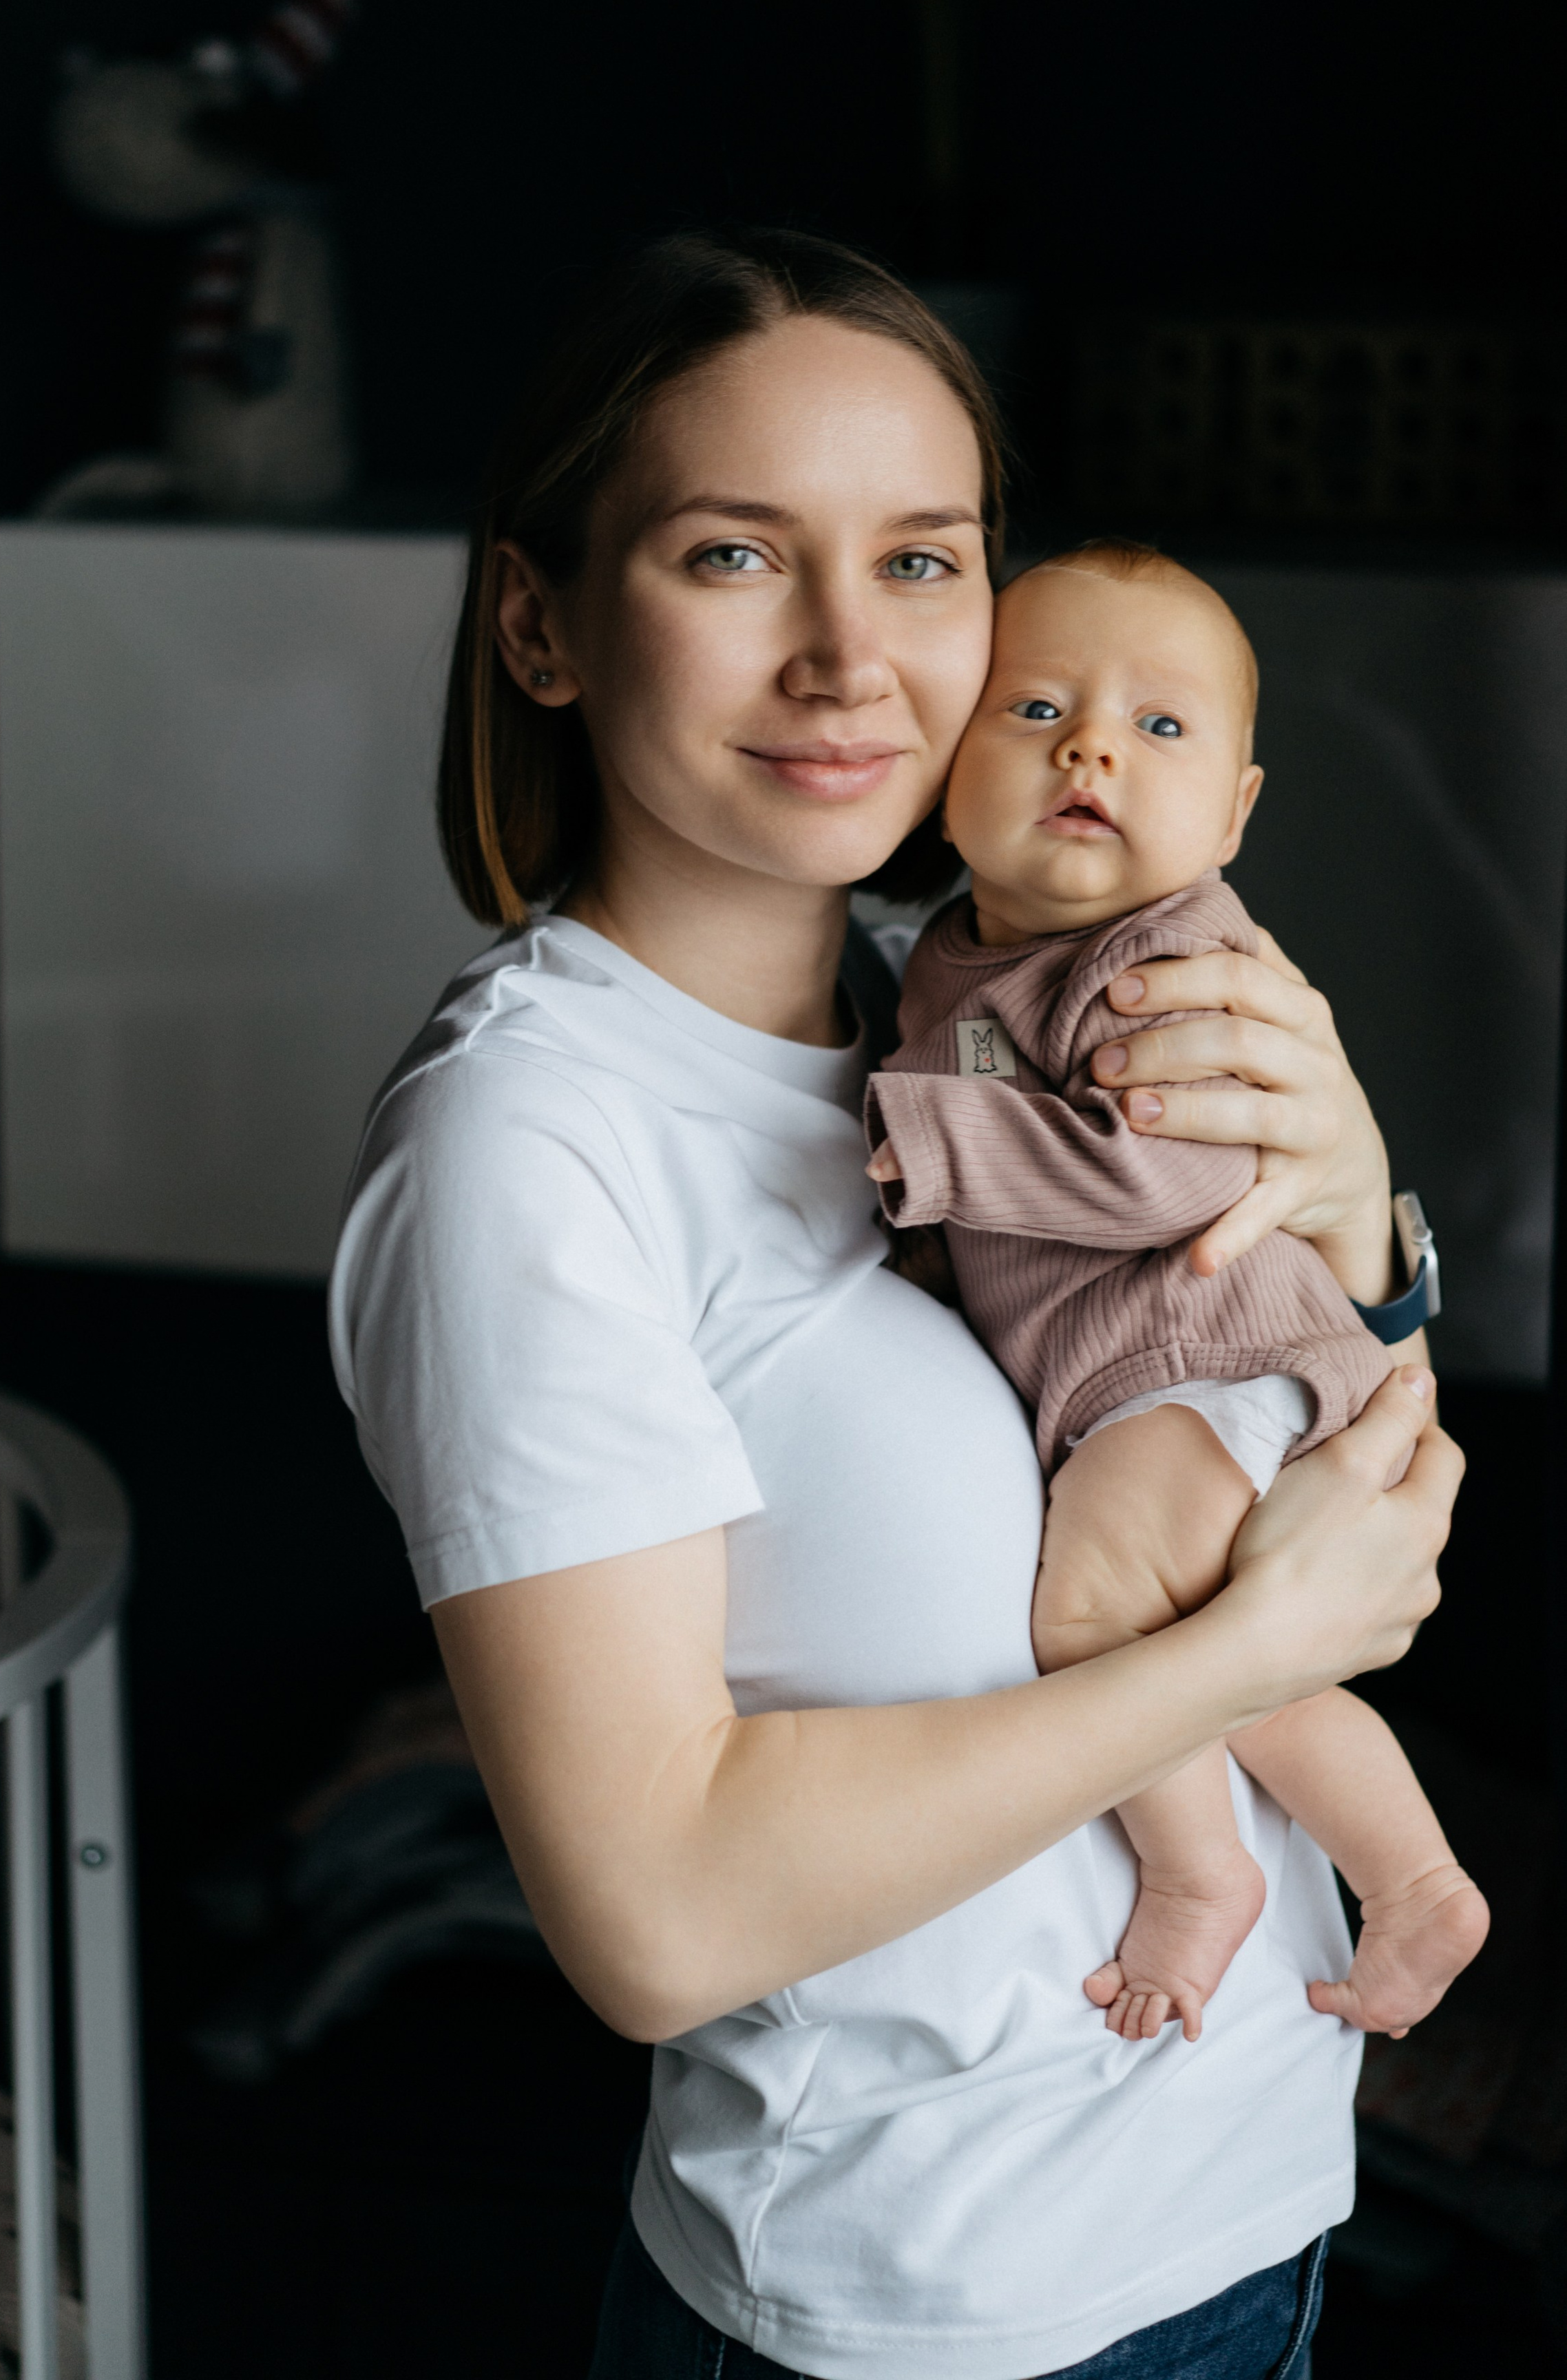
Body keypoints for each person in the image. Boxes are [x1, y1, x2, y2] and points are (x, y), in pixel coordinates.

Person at [328, 230, 1462, 2380]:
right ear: (543, 623)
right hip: (936, 2315)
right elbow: (655, 1923)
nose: (855, 656)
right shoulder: (526, 1151)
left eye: (926, 562)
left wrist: (1360, 1235)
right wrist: (1257, 1648)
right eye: (740, 555)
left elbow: (1253, 1452)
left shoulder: (947, 1017)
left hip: (1237, 2214)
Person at [865, 542, 1488, 2052]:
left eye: (1158, 728)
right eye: (1033, 710)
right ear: (944, 754)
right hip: (1142, 1372)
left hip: (1215, 1354)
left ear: (1232, 812)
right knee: (1211, 1640)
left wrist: (918, 1145)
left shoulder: (1169, 957)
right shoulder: (948, 955)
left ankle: (1202, 1874)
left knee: (1096, 1617)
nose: (1089, 747)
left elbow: (1171, 1175)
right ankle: (1408, 1877)